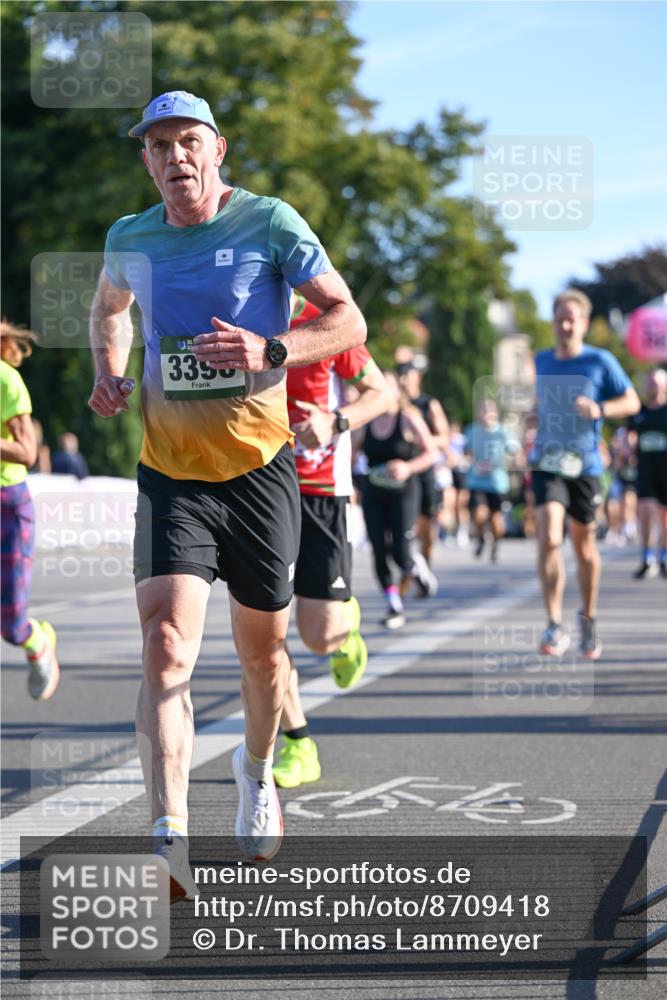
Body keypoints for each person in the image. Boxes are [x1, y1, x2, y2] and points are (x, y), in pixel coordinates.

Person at [87, 91, 367, 892]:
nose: (174, 157)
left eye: (188, 143)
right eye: (158, 145)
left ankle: (254, 770)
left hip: (259, 470)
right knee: (165, 642)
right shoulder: (129, 236)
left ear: (217, 152)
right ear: (146, 159)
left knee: (262, 654)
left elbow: (347, 320)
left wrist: (270, 347)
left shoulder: (271, 222)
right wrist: (110, 371)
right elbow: (110, 309)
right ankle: (167, 833)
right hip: (170, 472)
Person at [271, 294, 389, 788]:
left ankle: (345, 627)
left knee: (318, 636)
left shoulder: (327, 322)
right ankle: (299, 744)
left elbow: (379, 393)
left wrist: (334, 421)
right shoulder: (238, 317)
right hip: (259, 488)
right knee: (264, 633)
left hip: (320, 489)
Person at [530, 289, 640, 659]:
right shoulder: (541, 360)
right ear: (553, 321)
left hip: (586, 466)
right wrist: (529, 422)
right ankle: (553, 622)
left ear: (584, 323)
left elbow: (632, 401)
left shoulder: (601, 360)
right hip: (547, 461)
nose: (564, 324)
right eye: (559, 317)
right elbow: (535, 405)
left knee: (585, 547)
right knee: (548, 536)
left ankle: (588, 620)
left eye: (571, 318)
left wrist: (599, 408)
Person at [0, 321, 60, 700]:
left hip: (8, 506)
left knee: (11, 624)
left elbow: (28, 452)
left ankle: (37, 641)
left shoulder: (6, 380)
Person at [358, 370, 438, 629]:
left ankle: (415, 568)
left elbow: (431, 453)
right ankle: (394, 604)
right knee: (379, 551)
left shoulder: (407, 418)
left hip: (404, 490)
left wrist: (408, 467)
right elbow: (347, 451)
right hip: (374, 491)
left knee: (401, 553)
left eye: (386, 387)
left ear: (396, 391)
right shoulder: (366, 422)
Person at [395, 357, 450, 568]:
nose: (403, 380)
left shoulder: (429, 404)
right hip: (402, 471)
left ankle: (426, 562)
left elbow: (444, 438)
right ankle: (408, 569)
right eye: (400, 375)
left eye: (407, 375)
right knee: (405, 526)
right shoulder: (395, 406)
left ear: (417, 377)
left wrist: (421, 439)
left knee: (426, 526)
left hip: (424, 469)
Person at [464, 398, 518, 563]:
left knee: (497, 522)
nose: (486, 413)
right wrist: (473, 463)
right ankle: (480, 537)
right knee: (479, 515)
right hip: (477, 480)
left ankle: (495, 544)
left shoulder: (503, 431)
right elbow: (467, 453)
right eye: (483, 409)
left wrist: (503, 462)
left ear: (496, 413)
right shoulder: (472, 430)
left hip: (497, 482)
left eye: (489, 410)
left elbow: (514, 451)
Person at [630, 368, 667, 579]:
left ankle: (663, 557)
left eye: (655, 382)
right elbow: (629, 436)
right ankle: (646, 558)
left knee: (664, 518)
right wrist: (626, 446)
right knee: (645, 512)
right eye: (649, 382)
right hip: (645, 470)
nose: (651, 386)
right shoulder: (638, 412)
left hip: (665, 471)